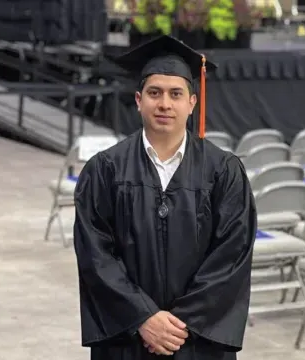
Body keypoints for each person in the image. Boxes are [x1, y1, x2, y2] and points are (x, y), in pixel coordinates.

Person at [73, 35, 257, 360]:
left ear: (192, 103)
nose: (164, 104)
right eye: (154, 93)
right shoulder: (105, 170)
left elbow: (232, 255)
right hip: (128, 339)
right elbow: (95, 255)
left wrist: (176, 325)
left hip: (196, 341)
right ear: (138, 100)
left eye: (176, 94)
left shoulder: (223, 171)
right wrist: (143, 316)